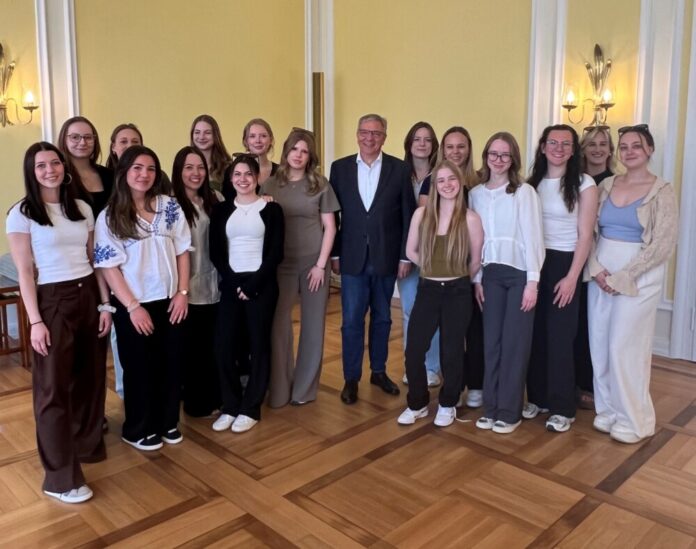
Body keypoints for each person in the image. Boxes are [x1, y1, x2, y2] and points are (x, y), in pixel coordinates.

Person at [6, 142, 111, 503]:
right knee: (52, 389)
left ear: (64, 167)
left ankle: (85, 445)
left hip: (88, 295)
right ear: (31, 172)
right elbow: (24, 272)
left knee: (90, 379)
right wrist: (35, 321)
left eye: (54, 163)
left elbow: (94, 260)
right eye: (41, 165)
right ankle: (59, 478)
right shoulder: (21, 213)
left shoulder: (81, 208)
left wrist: (105, 305)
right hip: (52, 300)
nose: (49, 170)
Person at [94, 145, 191, 451]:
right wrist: (133, 307)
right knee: (139, 368)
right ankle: (137, 428)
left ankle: (167, 422)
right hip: (133, 304)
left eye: (150, 169)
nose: (144, 175)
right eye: (137, 168)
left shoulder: (169, 206)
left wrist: (182, 292)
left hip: (171, 300)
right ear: (124, 172)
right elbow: (108, 267)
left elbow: (183, 251)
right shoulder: (110, 216)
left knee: (171, 363)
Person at [587, 124, 678, 444]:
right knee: (600, 344)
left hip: (640, 276)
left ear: (649, 149)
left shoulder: (662, 190)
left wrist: (624, 276)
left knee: (625, 346)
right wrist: (596, 268)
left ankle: (635, 419)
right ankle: (608, 410)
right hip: (601, 272)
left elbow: (663, 244)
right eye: (623, 146)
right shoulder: (607, 185)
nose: (629, 152)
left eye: (636, 146)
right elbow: (590, 231)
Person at [329, 113, 416, 404]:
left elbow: (408, 216)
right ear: (357, 134)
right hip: (352, 258)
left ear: (385, 137)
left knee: (382, 319)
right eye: (365, 132)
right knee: (351, 320)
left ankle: (378, 371)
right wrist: (335, 253)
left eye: (376, 133)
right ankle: (350, 378)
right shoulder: (340, 168)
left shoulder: (399, 169)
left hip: (386, 257)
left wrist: (405, 257)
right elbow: (333, 216)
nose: (370, 138)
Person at [398, 160, 483, 427]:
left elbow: (476, 260)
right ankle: (418, 403)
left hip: (458, 292)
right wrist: (430, 266)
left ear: (461, 182)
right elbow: (410, 250)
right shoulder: (421, 215)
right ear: (434, 186)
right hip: (428, 289)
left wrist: (456, 275)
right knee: (414, 350)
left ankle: (448, 403)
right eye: (441, 180)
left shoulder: (470, 218)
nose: (447, 185)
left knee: (452, 351)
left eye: (452, 179)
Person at [469, 132, 545, 434]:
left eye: (504, 155)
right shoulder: (475, 194)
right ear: (486, 156)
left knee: (515, 344)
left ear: (513, 159)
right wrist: (477, 279)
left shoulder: (524, 192)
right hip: (490, 275)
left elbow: (534, 238)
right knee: (492, 343)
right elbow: (476, 242)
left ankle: (510, 411)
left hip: (519, 276)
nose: (498, 160)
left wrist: (533, 283)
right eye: (493, 154)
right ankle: (491, 408)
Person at [525, 124, 598, 433]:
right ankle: (538, 398)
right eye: (552, 142)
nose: (558, 148)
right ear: (543, 147)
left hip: (565, 263)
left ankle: (562, 408)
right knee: (535, 334)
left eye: (565, 144)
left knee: (560, 337)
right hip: (534, 263)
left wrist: (571, 277)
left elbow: (586, 236)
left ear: (573, 150)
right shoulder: (531, 183)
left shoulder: (584, 183)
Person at [262, 129, 339, 407]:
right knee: (278, 324)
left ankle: (304, 390)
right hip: (281, 263)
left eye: (304, 151)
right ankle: (279, 388)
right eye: (294, 149)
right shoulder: (270, 184)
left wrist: (321, 265)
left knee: (313, 324)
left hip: (313, 264)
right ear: (286, 151)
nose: (298, 155)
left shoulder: (320, 184)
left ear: (310, 157)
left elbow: (330, 227)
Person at [209, 154, 284, 432]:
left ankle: (250, 408)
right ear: (231, 179)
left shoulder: (272, 209)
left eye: (248, 174)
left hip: (261, 286)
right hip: (231, 285)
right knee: (224, 346)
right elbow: (216, 252)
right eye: (237, 174)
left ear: (257, 178)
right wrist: (235, 285)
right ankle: (230, 405)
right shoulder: (221, 210)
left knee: (258, 345)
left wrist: (252, 286)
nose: (243, 179)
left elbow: (276, 253)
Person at [421, 125, 484, 408]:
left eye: (461, 146)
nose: (455, 151)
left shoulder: (480, 183)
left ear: (469, 149)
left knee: (474, 331)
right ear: (442, 150)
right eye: (450, 146)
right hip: (446, 273)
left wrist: (473, 274)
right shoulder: (433, 182)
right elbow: (427, 226)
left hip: (474, 267)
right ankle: (453, 388)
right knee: (450, 336)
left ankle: (476, 384)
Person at [171, 146, 223, 417]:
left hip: (216, 286)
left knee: (213, 346)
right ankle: (196, 404)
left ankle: (214, 398)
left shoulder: (216, 198)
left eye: (200, 167)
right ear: (178, 171)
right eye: (189, 167)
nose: (196, 173)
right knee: (192, 349)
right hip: (187, 289)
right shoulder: (170, 205)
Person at [574, 126, 616, 409]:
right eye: (592, 144)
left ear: (610, 150)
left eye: (603, 144)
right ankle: (577, 381)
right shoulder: (576, 181)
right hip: (576, 257)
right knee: (578, 325)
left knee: (599, 328)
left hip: (604, 262)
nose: (598, 149)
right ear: (583, 150)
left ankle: (594, 384)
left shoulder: (615, 183)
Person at [398, 122, 442, 389]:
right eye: (417, 139)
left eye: (427, 139)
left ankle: (432, 367)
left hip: (435, 255)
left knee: (432, 312)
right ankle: (413, 365)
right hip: (406, 254)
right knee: (409, 311)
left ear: (434, 145)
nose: (422, 144)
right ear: (409, 143)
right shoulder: (399, 173)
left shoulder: (441, 175)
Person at [57, 116, 113, 217]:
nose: (83, 142)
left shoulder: (110, 175)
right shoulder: (57, 176)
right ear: (64, 140)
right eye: (75, 137)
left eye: (88, 137)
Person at [106, 123, 172, 194]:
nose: (130, 146)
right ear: (113, 147)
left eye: (135, 142)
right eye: (123, 142)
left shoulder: (159, 177)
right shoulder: (106, 178)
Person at [190, 114, 232, 191]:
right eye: (197, 132)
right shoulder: (184, 166)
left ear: (215, 135)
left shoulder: (228, 168)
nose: (201, 137)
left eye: (207, 133)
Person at [242, 118, 278, 184]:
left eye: (263, 136)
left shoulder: (281, 172)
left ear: (271, 140)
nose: (258, 141)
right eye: (252, 136)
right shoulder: (235, 172)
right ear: (246, 141)